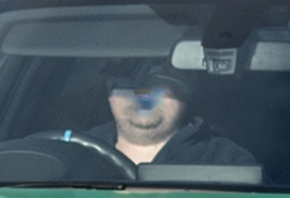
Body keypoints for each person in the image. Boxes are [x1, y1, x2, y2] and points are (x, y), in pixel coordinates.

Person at [82, 65, 257, 169]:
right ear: (109, 85)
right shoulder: (71, 154)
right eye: (129, 76)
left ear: (189, 88)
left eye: (165, 76)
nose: (144, 93)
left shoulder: (227, 163)